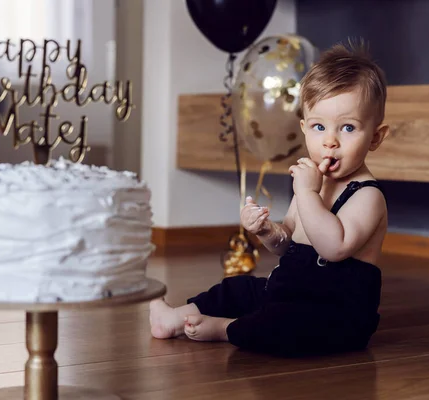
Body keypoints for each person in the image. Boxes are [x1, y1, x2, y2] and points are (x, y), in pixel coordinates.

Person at [149, 39, 390, 356]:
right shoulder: (313, 185)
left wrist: (306, 192)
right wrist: (266, 230)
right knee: (238, 288)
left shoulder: (367, 195)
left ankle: (226, 329)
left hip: (336, 314)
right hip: (290, 290)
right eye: (319, 126)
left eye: (347, 128)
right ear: (303, 128)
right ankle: (175, 318)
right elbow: (287, 245)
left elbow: (333, 248)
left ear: (375, 137)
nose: (330, 142)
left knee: (287, 321)